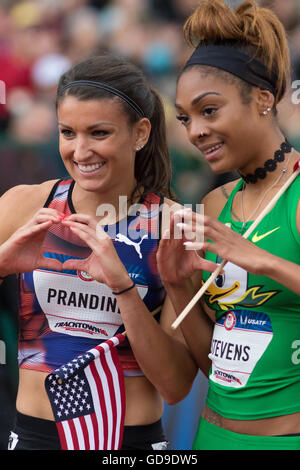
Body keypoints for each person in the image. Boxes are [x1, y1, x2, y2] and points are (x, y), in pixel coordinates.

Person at [0, 53, 202, 451]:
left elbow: (176, 385)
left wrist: (124, 288)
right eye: (68, 132)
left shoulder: (174, 228)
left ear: (140, 133)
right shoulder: (24, 206)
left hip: (130, 442)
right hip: (35, 436)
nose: (80, 151)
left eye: (99, 133)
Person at [157, 0, 300, 451]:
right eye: (185, 118)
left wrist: (263, 261)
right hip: (210, 435)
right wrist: (179, 288)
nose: (195, 131)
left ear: (262, 100)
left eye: (209, 110)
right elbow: (208, 363)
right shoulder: (216, 204)